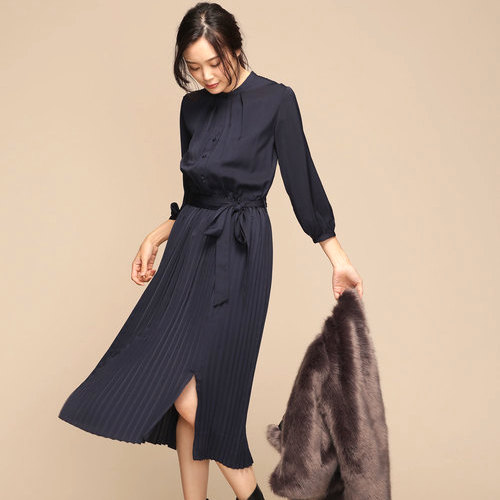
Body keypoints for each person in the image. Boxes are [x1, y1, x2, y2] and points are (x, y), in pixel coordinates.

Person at [58, 3, 363, 500]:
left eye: (214, 63)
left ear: (235, 48)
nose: (205, 76)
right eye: (193, 67)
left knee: (203, 398)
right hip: (189, 250)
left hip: (241, 252)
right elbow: (197, 192)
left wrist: (338, 257)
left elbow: (302, 183)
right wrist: (158, 234)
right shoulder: (192, 108)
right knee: (180, 393)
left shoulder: (276, 100)